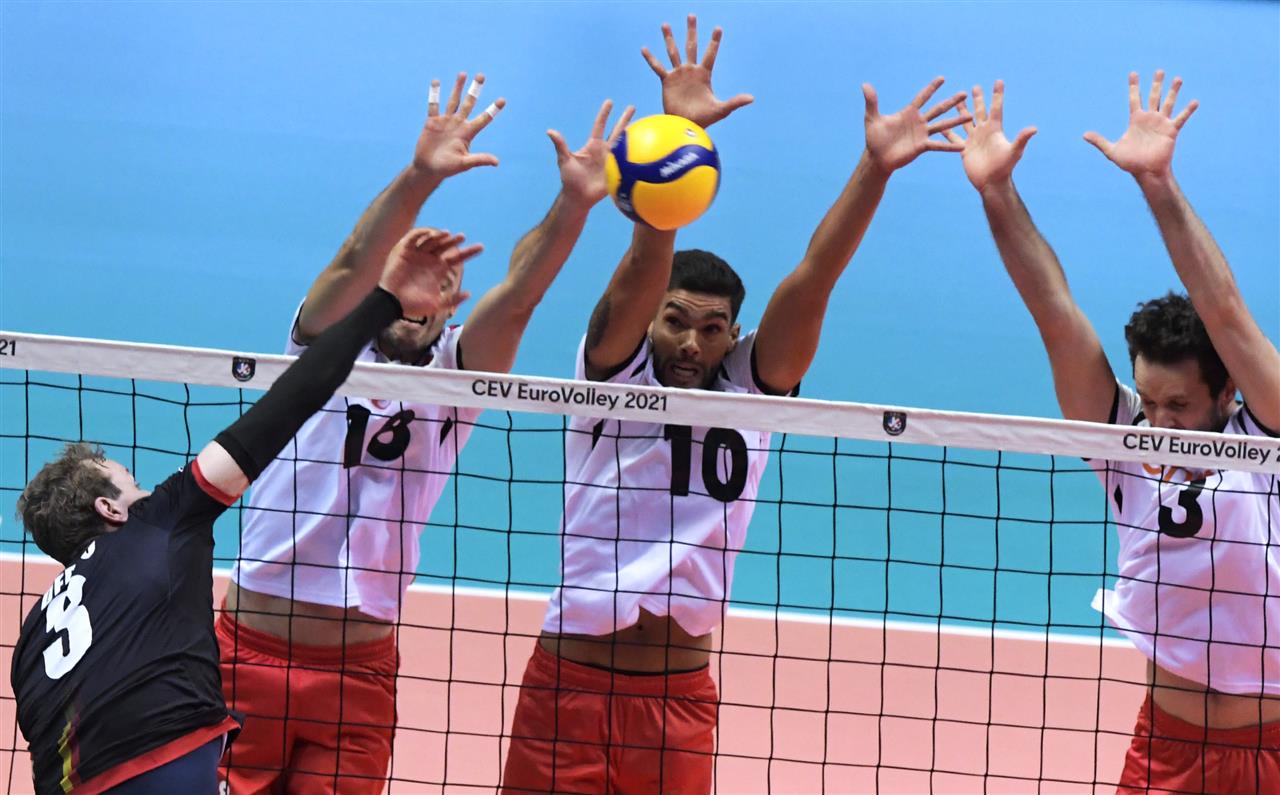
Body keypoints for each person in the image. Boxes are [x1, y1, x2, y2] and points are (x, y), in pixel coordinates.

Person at [500, 15, 970, 794]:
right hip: (569, 690)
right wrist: (677, 140)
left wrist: (875, 169)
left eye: (712, 329)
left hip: (677, 702)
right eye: (675, 321)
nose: (691, 342)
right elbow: (643, 268)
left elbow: (814, 277)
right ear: (653, 321)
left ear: (733, 335)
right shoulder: (613, 372)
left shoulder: (752, 393)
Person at [218, 71, 633, 793]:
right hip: (245, 656)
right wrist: (420, 177)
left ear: (453, 305)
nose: (418, 297)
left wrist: (572, 206)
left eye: (437, 286)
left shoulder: (455, 379)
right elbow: (353, 259)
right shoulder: (316, 348)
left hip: (356, 677)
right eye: (405, 279)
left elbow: (521, 296)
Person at [10, 227, 475, 795]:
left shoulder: (32, 635)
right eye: (129, 480)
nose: (143, 486)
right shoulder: (160, 523)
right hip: (161, 768)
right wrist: (382, 302)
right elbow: (289, 402)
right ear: (109, 509)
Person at [946, 73, 1280, 794]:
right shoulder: (1128, 445)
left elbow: (1225, 311)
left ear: (1227, 392)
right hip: (1167, 749)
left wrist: (1158, 184)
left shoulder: (1268, 436)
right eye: (1149, 401)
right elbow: (1055, 312)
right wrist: (997, 194)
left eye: (1179, 404)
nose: (1160, 422)